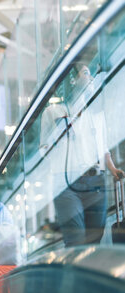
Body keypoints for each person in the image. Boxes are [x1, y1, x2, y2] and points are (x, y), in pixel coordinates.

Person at [40, 63, 124, 247]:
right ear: (73, 80)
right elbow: (43, 150)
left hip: (96, 183)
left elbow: (103, 150)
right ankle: (74, 274)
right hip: (66, 184)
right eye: (86, 73)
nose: (91, 78)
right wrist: (59, 141)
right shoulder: (52, 112)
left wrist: (112, 169)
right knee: (76, 240)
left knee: (94, 241)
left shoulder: (96, 115)